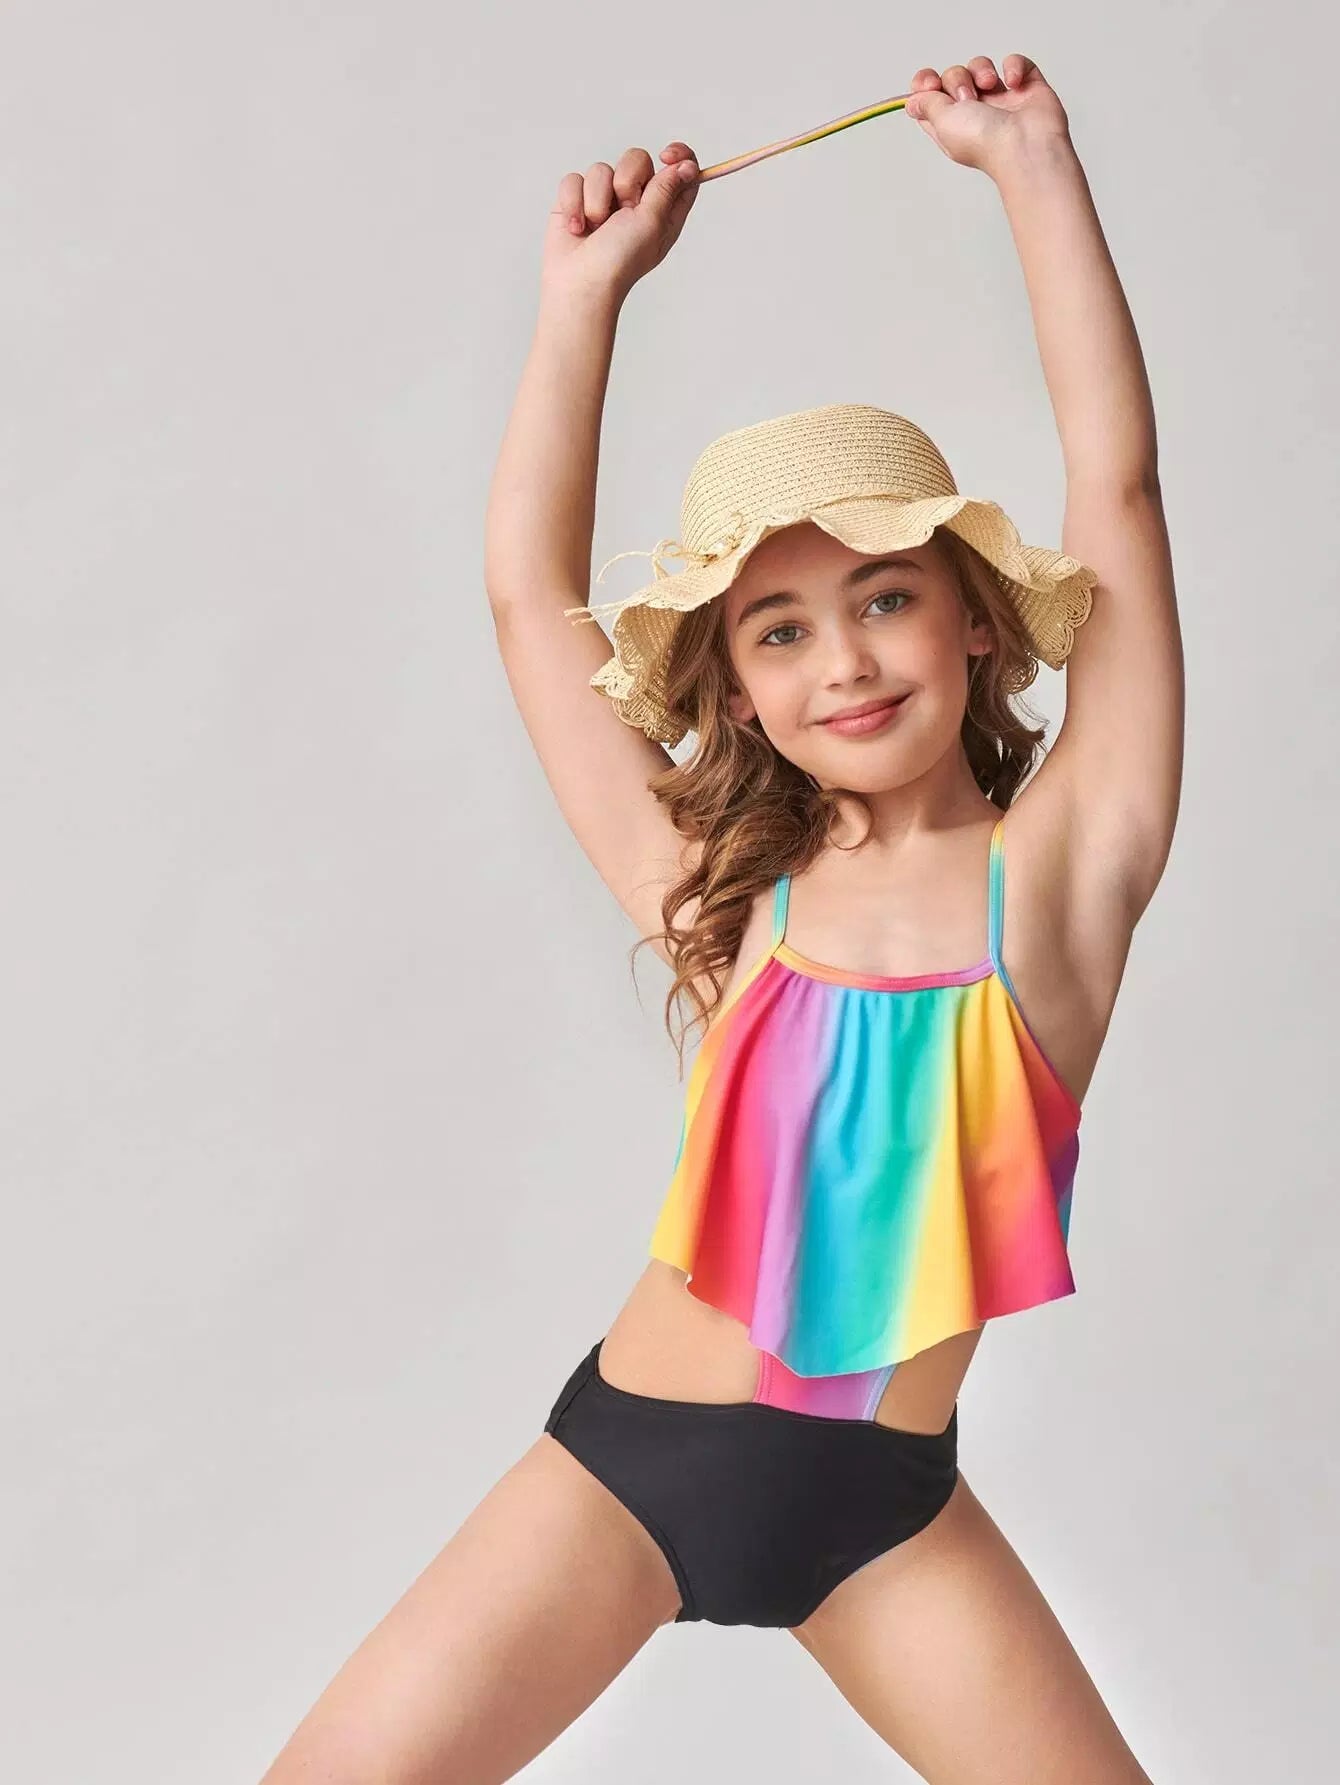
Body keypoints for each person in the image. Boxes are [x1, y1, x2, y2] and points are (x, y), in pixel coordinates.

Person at [260, 50, 1179, 1785]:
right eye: (780, 630)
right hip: (628, 1469)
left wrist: (1035, 170)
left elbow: (1118, 499)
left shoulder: (1065, 872)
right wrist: (582, 300)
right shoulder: (727, 893)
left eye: (887, 598)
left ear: (979, 619)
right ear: (736, 690)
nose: (845, 660)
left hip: (884, 1513)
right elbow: (529, 595)